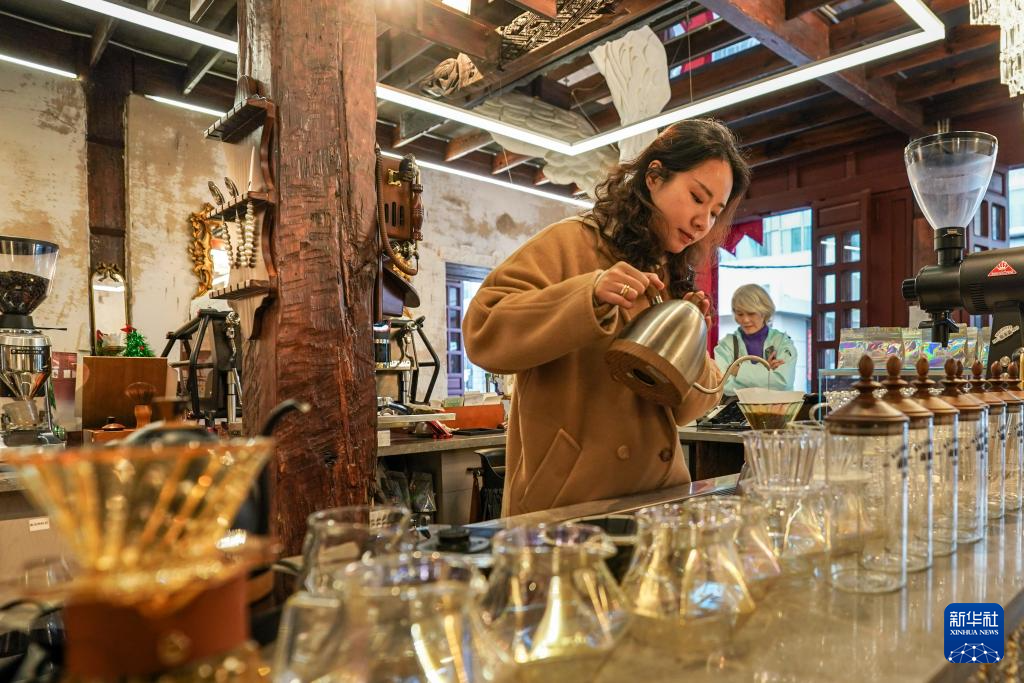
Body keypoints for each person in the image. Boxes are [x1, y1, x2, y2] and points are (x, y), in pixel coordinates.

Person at [462, 119, 751, 516]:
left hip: (658, 499)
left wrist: (692, 341)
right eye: (696, 197)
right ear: (654, 176)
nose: (704, 222)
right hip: (569, 507)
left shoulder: (671, 276)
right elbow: (483, 331)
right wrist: (590, 294)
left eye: (715, 212)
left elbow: (683, 411)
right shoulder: (571, 242)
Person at [714, 283, 797, 396]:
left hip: (778, 407)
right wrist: (766, 372)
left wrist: (739, 371)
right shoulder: (726, 345)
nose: (745, 320)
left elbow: (783, 383)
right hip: (737, 408)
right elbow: (724, 386)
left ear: (765, 312)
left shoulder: (782, 342)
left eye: (751, 313)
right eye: (740, 314)